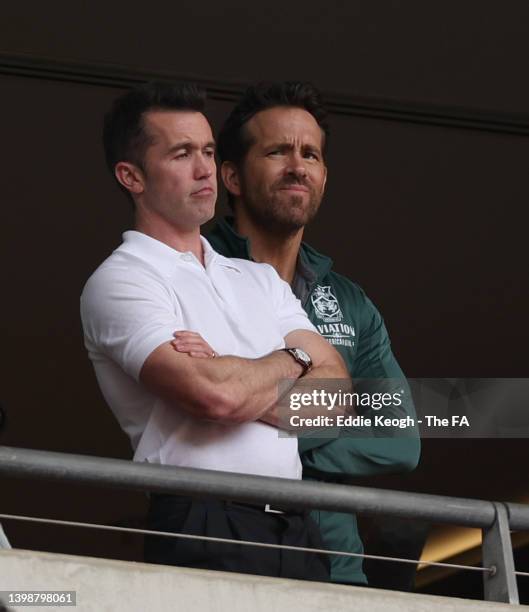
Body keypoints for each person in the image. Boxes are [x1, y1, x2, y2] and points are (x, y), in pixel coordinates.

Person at [80, 81, 350, 581]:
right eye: (182, 154)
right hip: (204, 517)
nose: (205, 170)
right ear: (131, 176)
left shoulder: (259, 277)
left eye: (207, 150)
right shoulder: (122, 278)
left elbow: (335, 405)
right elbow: (213, 398)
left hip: (296, 524)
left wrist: (230, 368)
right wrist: (295, 361)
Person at [206, 81, 421, 586]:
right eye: (277, 151)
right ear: (232, 177)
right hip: (221, 553)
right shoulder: (192, 269)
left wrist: (268, 425)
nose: (297, 166)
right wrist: (327, 414)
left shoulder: (349, 301)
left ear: (324, 177)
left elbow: (401, 440)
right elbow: (196, 407)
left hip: (335, 568)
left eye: (311, 154)